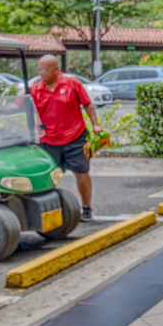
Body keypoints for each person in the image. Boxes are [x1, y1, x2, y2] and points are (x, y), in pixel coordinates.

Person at [31, 55, 102, 222]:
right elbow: (22, 108)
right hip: (48, 140)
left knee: (81, 171)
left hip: (75, 137)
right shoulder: (34, 89)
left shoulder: (72, 84)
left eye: (46, 69)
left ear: (56, 70)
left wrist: (95, 124)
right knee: (49, 176)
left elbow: (87, 104)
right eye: (40, 69)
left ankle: (86, 208)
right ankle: (50, 210)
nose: (42, 72)